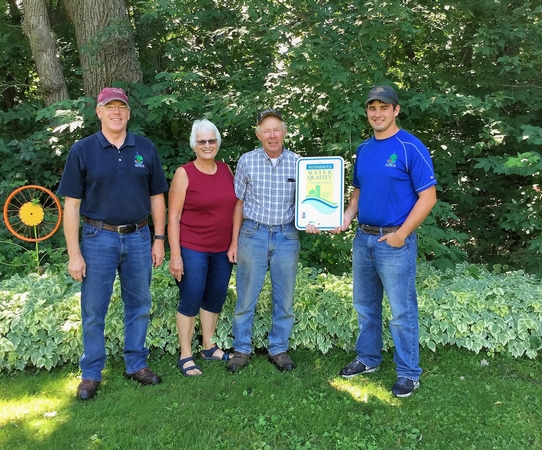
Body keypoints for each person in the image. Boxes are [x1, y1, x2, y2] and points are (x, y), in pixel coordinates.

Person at [311, 85, 437, 397]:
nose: (377, 113)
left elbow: (428, 197)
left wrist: (401, 235)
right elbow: (358, 192)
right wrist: (344, 217)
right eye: (372, 108)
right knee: (366, 307)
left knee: (401, 311)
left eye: (384, 107)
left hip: (394, 242)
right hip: (363, 239)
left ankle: (408, 373)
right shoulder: (365, 150)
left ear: (396, 110)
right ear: (367, 112)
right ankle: (368, 358)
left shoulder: (410, 147)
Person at [58, 87, 168, 400]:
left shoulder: (144, 148)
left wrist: (158, 240)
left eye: (121, 107)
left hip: (138, 237)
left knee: (139, 305)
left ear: (129, 113)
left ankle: (136, 363)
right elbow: (72, 205)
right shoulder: (83, 150)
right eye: (110, 107)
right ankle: (91, 373)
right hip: (97, 238)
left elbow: (157, 197)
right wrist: (74, 253)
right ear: (99, 111)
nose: (116, 112)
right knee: (94, 309)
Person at [226, 109, 301, 373]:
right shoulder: (246, 161)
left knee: (285, 298)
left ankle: (278, 348)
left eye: (276, 129)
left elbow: (307, 203)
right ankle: (241, 349)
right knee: (246, 296)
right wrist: (234, 242)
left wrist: (314, 220)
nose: (272, 135)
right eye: (266, 130)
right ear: (258, 134)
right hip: (253, 234)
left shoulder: (299, 163)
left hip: (286, 235)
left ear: (285, 132)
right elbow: (239, 203)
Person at [168, 119, 236, 376]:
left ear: (218, 142)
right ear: (194, 145)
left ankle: (208, 346)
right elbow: (172, 217)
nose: (208, 145)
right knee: (191, 298)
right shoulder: (184, 173)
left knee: (214, 297)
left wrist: (233, 242)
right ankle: (186, 354)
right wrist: (176, 255)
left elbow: (234, 207)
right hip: (192, 247)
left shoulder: (226, 169)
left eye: (212, 140)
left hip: (222, 249)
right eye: (202, 141)